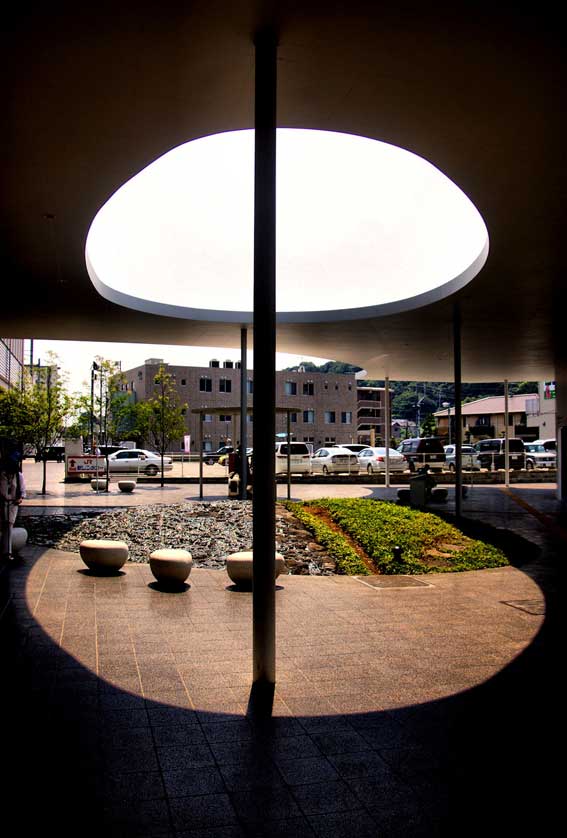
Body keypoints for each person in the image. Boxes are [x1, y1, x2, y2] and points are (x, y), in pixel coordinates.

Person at [0, 451, 26, 561]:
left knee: (9, 526)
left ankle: (8, 552)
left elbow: (23, 491)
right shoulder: (2, 475)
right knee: (3, 526)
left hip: (12, 504)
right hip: (2, 503)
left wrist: (19, 499)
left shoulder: (18, 476)